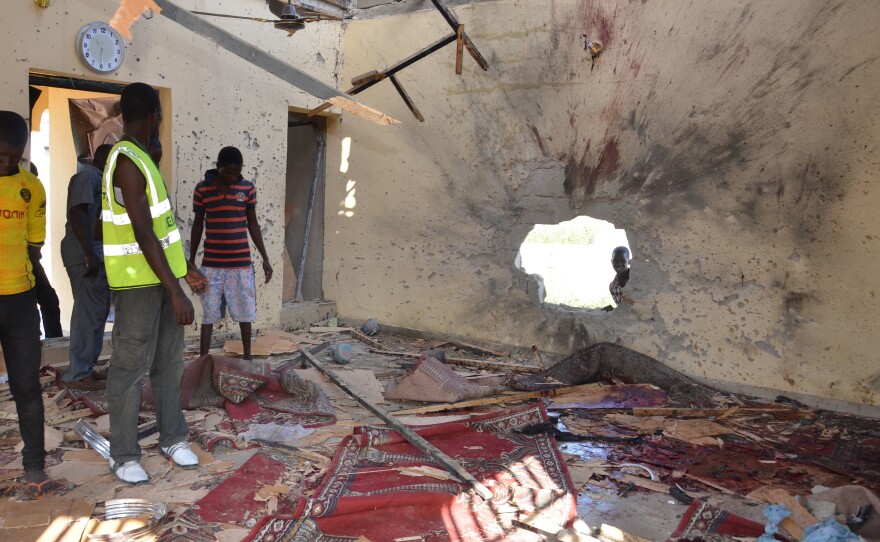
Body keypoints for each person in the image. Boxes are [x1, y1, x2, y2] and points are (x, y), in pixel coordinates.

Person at [101, 83, 207, 484]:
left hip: (161, 280)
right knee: (129, 368)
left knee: (168, 363)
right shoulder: (127, 160)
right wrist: (176, 290)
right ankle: (124, 454)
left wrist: (186, 270)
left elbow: (165, 232)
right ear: (153, 115)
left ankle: (172, 438)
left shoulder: (144, 158)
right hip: (138, 285)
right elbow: (143, 235)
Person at [0, 111, 50, 490]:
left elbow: (34, 249)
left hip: (19, 302)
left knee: (27, 387)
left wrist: (37, 290)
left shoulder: (32, 188)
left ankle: (34, 465)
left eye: (13, 157)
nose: (6, 162)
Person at [189, 146, 273, 360]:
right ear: (218, 167)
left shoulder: (247, 188)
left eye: (237, 173)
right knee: (208, 315)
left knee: (245, 314)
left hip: (240, 265)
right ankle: (203, 360)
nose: (232, 178)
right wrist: (191, 260)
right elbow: (198, 225)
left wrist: (265, 258)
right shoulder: (202, 190)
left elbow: (252, 224)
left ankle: (247, 358)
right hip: (212, 265)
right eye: (228, 173)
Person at [59, 144, 113, 390]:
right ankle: (77, 373)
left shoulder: (103, 179)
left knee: (97, 313)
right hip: (85, 254)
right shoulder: (88, 175)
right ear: (99, 156)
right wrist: (89, 253)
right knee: (87, 313)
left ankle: (86, 368)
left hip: (95, 255)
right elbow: (78, 213)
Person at [28, 162, 63, 339]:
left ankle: (54, 341)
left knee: (49, 299)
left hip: (31, 260)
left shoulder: (34, 196)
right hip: (15, 262)